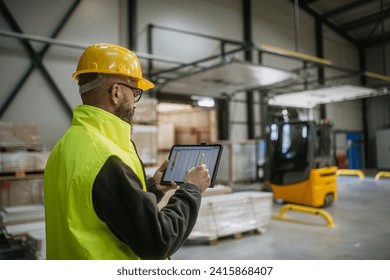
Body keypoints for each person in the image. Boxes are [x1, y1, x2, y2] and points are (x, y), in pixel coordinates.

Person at [44, 43, 211, 260]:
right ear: (116, 92)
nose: (135, 103)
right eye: (135, 93)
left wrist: (153, 188)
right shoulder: (107, 158)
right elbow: (158, 241)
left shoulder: (65, 146)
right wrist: (192, 189)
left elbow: (102, 209)